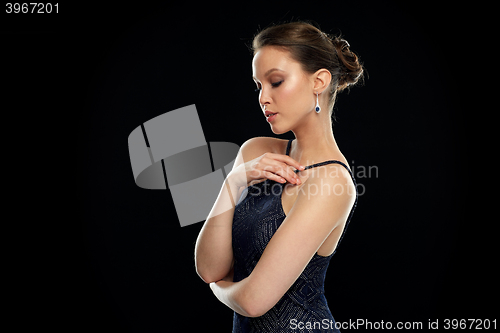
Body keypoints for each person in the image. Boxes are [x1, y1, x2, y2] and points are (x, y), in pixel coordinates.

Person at [195, 21, 364, 332]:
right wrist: (232, 184)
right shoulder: (255, 151)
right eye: (258, 85)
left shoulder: (333, 182)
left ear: (319, 82)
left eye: (275, 82)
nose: (262, 98)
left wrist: (219, 288)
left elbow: (253, 300)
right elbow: (208, 267)